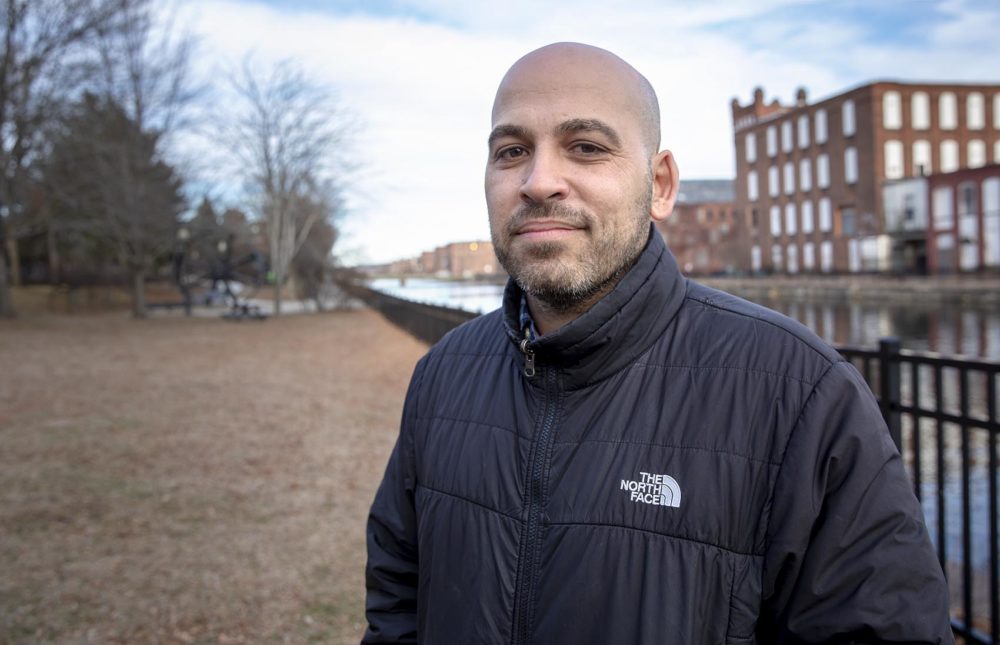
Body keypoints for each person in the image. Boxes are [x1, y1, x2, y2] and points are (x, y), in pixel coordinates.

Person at [363, 42, 953, 644]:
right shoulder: (443, 375)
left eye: (586, 147)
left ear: (660, 185)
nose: (539, 181)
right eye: (511, 151)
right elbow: (397, 597)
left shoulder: (800, 394)